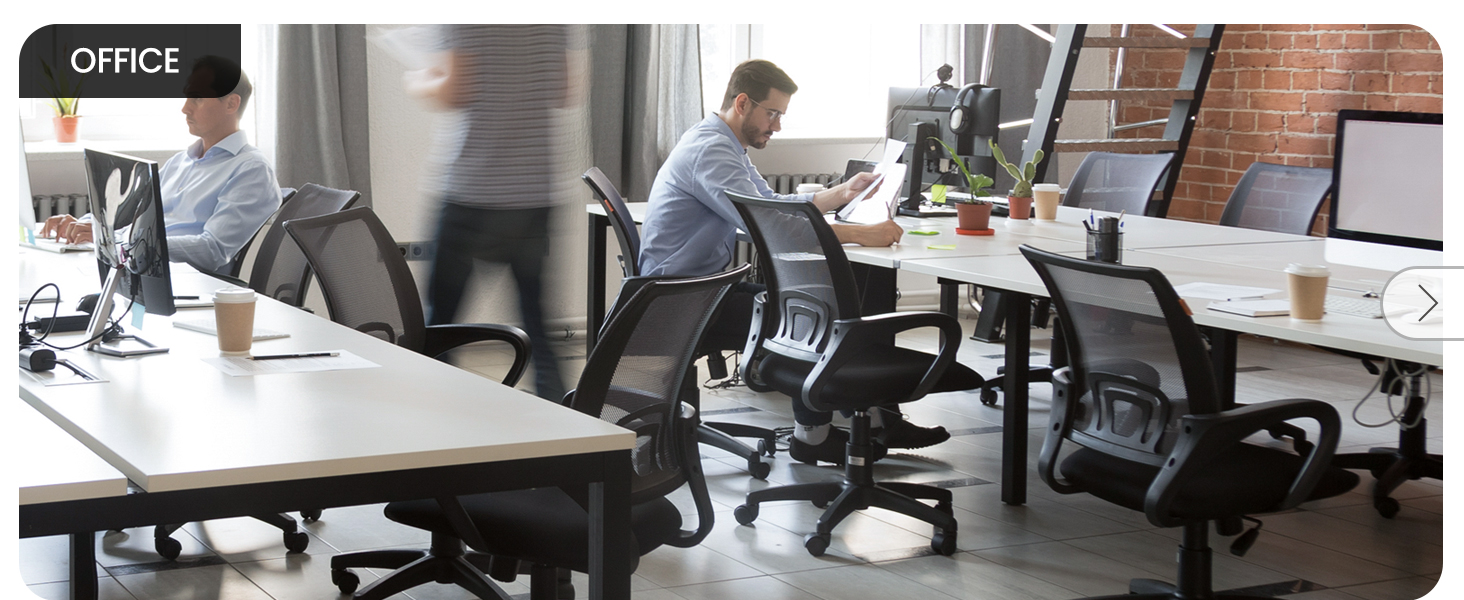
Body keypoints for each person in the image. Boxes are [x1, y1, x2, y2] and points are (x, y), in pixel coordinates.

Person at [639, 59, 950, 466]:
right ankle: (819, 435)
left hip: (700, 290)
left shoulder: (722, 141)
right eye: (773, 114)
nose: (777, 126)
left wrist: (840, 193)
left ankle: (872, 419)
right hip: (684, 301)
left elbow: (770, 205)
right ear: (743, 102)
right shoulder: (711, 151)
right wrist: (857, 233)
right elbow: (770, 227)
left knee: (819, 307)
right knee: (812, 317)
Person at [407, 25, 571, 403]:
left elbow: (455, 90)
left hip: (473, 189)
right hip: (534, 190)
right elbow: (564, 89)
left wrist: (419, 80)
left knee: (440, 328)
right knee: (538, 328)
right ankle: (567, 435)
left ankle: (435, 423)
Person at [41, 56, 282, 275]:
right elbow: (129, 214)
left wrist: (121, 244)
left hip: (180, 280)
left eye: (197, 98)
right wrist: (83, 224)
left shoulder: (251, 169)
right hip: (140, 270)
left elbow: (212, 250)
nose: (185, 108)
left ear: (231, 104)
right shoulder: (181, 161)